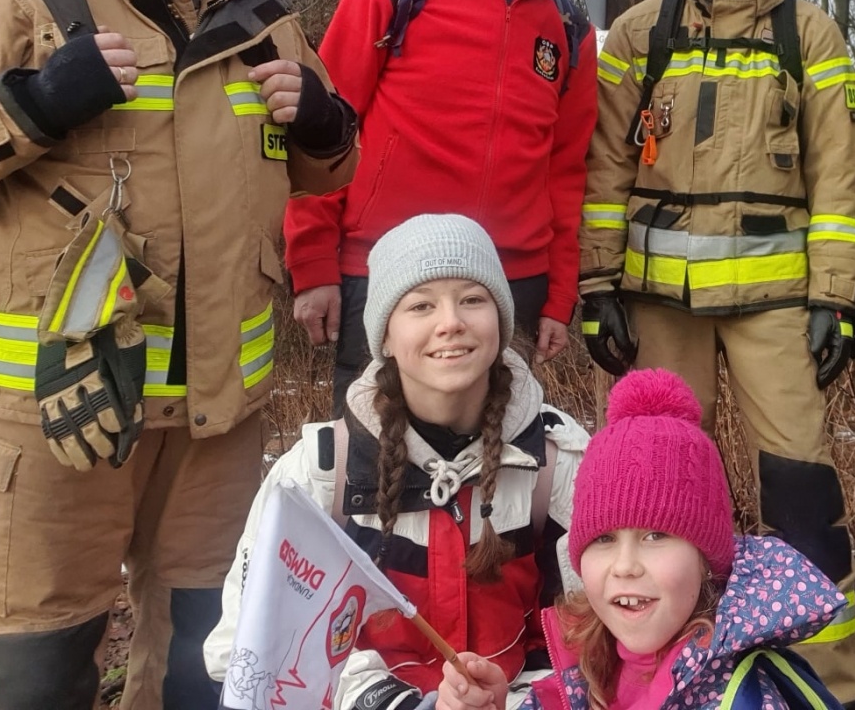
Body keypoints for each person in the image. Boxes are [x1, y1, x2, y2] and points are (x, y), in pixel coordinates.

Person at [0, 0, 359, 710]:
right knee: (34, 666)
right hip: (61, 410)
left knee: (203, 663)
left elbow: (322, 166)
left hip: (218, 421)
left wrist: (327, 125)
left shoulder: (263, 11)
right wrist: (29, 105)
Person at [577, 0, 855, 705]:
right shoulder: (638, 32)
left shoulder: (808, 34)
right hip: (661, 300)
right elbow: (605, 171)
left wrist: (836, 300)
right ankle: (662, 675)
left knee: (803, 486)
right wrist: (597, 286)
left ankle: (828, 679)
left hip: (776, 301)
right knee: (658, 498)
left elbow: (838, 179)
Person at [205, 214, 589, 709]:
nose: (450, 321)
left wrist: (517, 702)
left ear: (501, 320)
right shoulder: (319, 474)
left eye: (473, 299)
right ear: (384, 336)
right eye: (420, 305)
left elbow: (597, 633)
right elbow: (245, 650)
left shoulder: (557, 463)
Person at [286, 0, 597, 409]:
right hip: (386, 270)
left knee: (498, 462)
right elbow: (321, 136)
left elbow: (566, 171)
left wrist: (560, 295)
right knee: (373, 461)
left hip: (511, 281)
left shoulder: (569, 30)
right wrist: (312, 262)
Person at [453, 366, 844, 710]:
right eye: (604, 538)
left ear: (707, 559)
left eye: (656, 535)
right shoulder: (594, 664)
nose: (625, 565)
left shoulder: (742, 699)